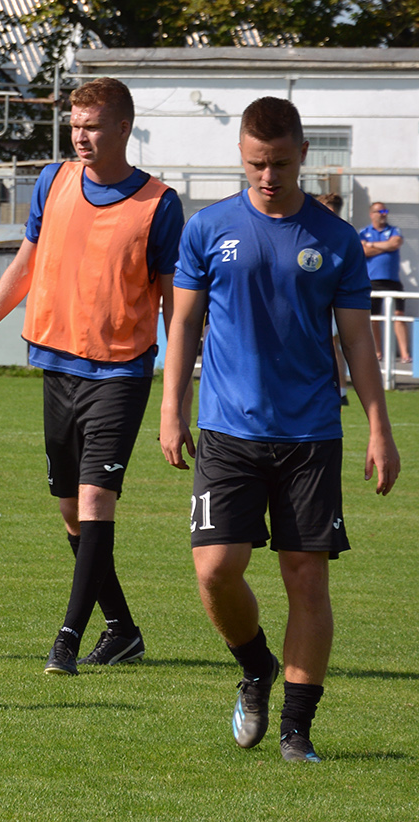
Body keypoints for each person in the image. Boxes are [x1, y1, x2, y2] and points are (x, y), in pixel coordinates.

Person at [160, 96, 400, 763]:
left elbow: (357, 342)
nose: (268, 176)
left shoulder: (335, 239)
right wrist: (171, 405)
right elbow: (183, 323)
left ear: (302, 156)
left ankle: (297, 729)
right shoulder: (207, 229)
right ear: (242, 156)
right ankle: (254, 664)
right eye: (256, 164)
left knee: (305, 578)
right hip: (227, 431)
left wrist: (379, 429)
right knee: (215, 569)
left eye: (281, 164)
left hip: (311, 435)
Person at [0, 77, 184, 675]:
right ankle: (123, 630)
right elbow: (27, 264)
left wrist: (175, 397)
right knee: (71, 511)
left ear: (123, 129)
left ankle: (67, 639)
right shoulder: (52, 181)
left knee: (95, 500)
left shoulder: (159, 204)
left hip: (120, 372)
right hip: (56, 367)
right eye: (75, 125)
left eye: (93, 126)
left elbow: (173, 307)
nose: (81, 136)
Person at [360, 201, 409, 363]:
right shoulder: (364, 232)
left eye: (385, 211)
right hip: (373, 281)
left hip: (393, 281)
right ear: (371, 214)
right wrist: (384, 246)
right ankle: (377, 352)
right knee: (374, 318)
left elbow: (395, 243)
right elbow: (363, 251)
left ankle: (405, 354)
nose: (383, 214)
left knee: (399, 315)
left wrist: (372, 245)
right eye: (380, 212)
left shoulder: (394, 230)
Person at [316, 194, 350, 404]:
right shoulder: (313, 232)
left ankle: (341, 389)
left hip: (331, 300)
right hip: (316, 299)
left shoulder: (339, 234)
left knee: (334, 343)